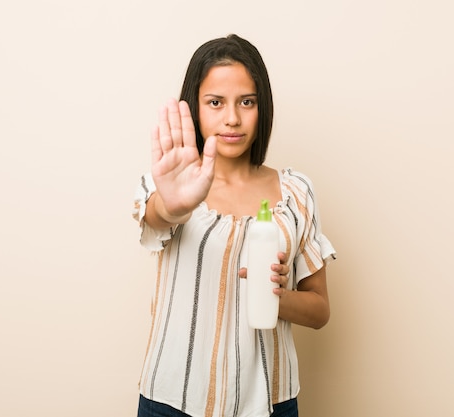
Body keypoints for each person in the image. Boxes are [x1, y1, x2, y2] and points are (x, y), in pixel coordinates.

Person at [132, 34, 336, 417]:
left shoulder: (295, 192)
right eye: (215, 103)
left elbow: (320, 310)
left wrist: (276, 295)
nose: (232, 118)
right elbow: (157, 216)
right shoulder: (170, 184)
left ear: (263, 108)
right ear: (195, 109)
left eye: (247, 102)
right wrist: (174, 206)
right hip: (173, 401)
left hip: (271, 402)